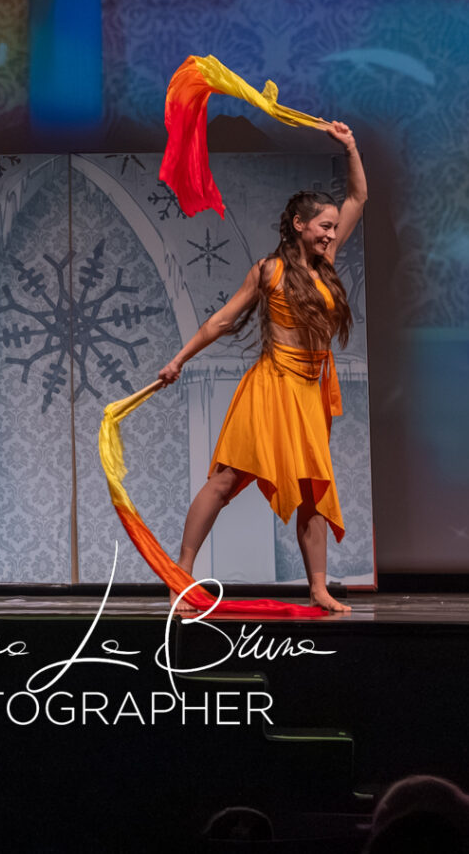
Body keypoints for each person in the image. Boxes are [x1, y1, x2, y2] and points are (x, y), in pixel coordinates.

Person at [159, 123, 367, 614]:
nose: (331, 234)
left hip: (310, 391)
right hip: (271, 387)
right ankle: (179, 576)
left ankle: (318, 588)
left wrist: (351, 147)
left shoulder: (327, 262)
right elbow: (221, 321)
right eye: (324, 226)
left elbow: (359, 195)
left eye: (334, 228)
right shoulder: (269, 270)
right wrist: (179, 360)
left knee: (313, 490)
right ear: (299, 224)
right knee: (225, 481)